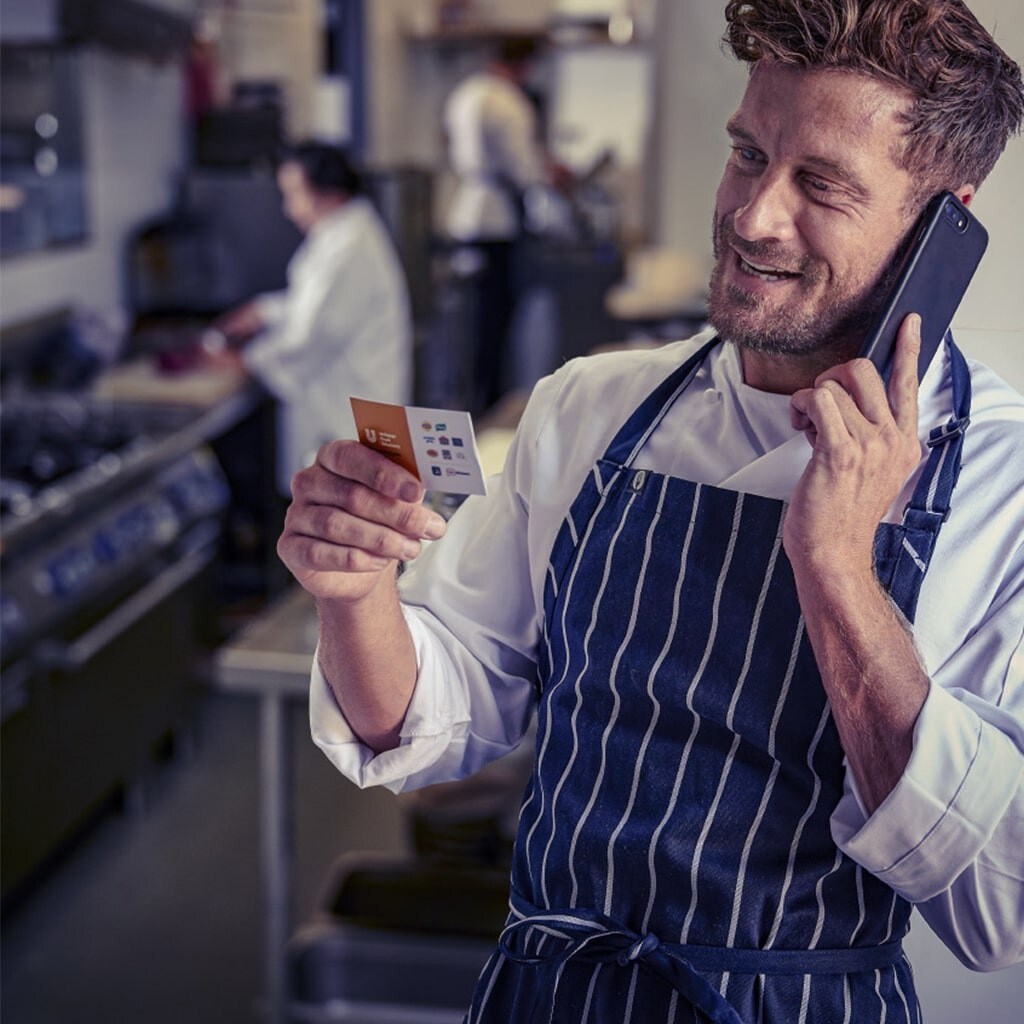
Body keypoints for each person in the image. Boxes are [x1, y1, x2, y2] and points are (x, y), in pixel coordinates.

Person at [279, 2, 1024, 1021]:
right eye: (748, 155)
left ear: (946, 221)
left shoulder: (1002, 480)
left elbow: (998, 908)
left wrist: (837, 565)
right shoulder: (590, 405)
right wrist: (353, 591)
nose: (755, 215)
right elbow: (430, 718)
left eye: (821, 185)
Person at [209, 142, 412, 493]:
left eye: (293, 194)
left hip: (344, 421)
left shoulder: (348, 246)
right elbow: (315, 304)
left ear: (328, 192)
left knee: (341, 523)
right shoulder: (342, 235)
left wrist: (242, 360)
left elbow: (305, 339)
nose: (289, 210)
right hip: (346, 411)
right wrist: (262, 311)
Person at [442, 36, 570, 413]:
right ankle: (491, 404)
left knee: (472, 319)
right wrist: (552, 173)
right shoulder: (509, 102)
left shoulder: (465, 93)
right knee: (494, 321)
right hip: (497, 220)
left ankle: (471, 396)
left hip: (466, 213)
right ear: (524, 64)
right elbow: (524, 168)